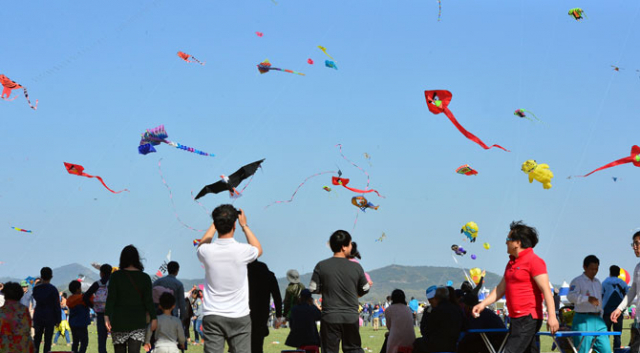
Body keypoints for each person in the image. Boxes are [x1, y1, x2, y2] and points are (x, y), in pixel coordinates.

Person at [473, 221, 559, 353]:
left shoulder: (534, 261)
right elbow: (501, 288)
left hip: (528, 317)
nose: (506, 242)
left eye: (508, 239)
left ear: (517, 243)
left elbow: (546, 290)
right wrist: (483, 304)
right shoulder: (511, 263)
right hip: (515, 318)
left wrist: (552, 316)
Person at [197, 205, 262, 353]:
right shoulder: (243, 250)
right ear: (234, 224)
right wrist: (244, 225)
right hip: (239, 315)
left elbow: (201, 245)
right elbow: (258, 249)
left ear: (215, 224)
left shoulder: (207, 251)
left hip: (213, 314)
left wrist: (215, 224)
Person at [308, 229, 370, 353]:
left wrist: (328, 289)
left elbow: (313, 288)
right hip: (351, 317)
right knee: (353, 349)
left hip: (330, 316)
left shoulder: (321, 266)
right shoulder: (356, 267)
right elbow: (365, 288)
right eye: (350, 244)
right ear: (343, 247)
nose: (352, 246)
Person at [105, 245, 158, 353]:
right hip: (137, 322)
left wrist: (106, 317)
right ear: (137, 259)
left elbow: (111, 299)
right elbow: (148, 301)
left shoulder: (115, 276)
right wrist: (154, 317)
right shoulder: (145, 278)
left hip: (119, 321)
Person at [567, 255, 611, 353]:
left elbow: (599, 301)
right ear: (584, 267)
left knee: (606, 349)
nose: (594, 271)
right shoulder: (577, 281)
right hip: (583, 319)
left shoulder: (598, 282)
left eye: (596, 269)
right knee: (583, 350)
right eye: (591, 269)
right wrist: (587, 299)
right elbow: (570, 297)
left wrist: (601, 314)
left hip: (598, 320)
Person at [612, 231, 640, 352]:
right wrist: (619, 308)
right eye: (633, 244)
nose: (634, 247)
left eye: (637, 244)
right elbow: (633, 290)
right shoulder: (637, 268)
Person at [248, 259, 283, 353]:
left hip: (244, 313)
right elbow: (277, 296)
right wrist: (278, 315)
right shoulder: (268, 275)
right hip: (261, 314)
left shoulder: (243, 274)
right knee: (258, 345)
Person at [415, 287, 464, 353]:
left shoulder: (434, 311)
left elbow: (426, 329)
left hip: (437, 345)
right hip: (453, 345)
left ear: (436, 298)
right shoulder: (457, 309)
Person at [83, 263, 112, 353]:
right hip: (112, 313)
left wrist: (93, 306)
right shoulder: (113, 283)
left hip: (100, 313)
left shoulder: (97, 284)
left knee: (101, 339)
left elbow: (85, 297)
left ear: (101, 273)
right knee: (117, 339)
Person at [32, 266, 61, 353]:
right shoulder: (53, 289)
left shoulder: (36, 289)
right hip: (50, 316)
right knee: (48, 340)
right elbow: (57, 305)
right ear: (51, 276)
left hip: (38, 315)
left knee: (37, 339)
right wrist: (58, 319)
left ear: (41, 276)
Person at [0, 282, 35, 353]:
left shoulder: (2, 311)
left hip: (5, 347)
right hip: (23, 347)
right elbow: (28, 327)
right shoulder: (24, 310)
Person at [602, 265, 627, 349]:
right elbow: (628, 296)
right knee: (617, 335)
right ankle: (617, 350)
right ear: (619, 273)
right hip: (618, 313)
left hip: (606, 312)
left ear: (610, 272)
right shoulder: (622, 283)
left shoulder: (604, 282)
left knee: (605, 335)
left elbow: (600, 295)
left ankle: (606, 350)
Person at [68, 280, 92, 353]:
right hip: (82, 324)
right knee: (84, 342)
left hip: (73, 324)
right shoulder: (83, 298)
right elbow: (91, 301)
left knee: (75, 342)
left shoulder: (69, 299)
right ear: (78, 289)